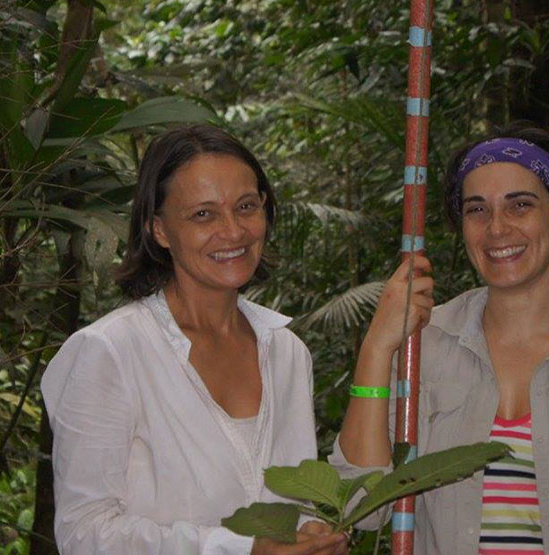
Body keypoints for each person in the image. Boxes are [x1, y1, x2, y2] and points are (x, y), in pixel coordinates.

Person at [332, 122, 549, 554]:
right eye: (477, 209)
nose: (497, 228)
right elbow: (359, 505)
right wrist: (377, 347)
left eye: (520, 205)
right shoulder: (421, 348)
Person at [42, 125, 347, 555]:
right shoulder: (111, 351)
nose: (234, 231)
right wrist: (238, 549)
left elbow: (293, 504)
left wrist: (314, 537)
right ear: (159, 230)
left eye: (246, 206)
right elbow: (83, 534)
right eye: (203, 214)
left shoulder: (285, 351)